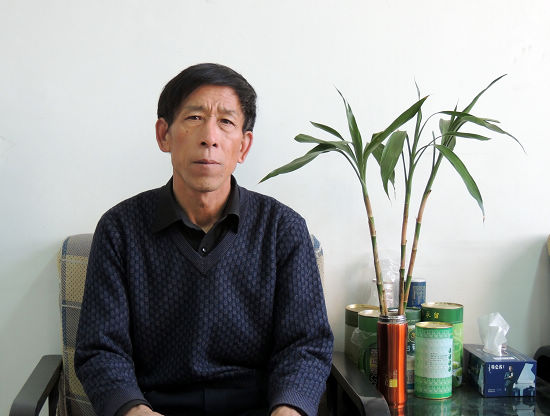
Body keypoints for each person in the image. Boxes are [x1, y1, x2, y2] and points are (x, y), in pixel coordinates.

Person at [75, 63, 333, 416]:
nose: (209, 137)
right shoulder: (120, 229)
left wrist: (289, 409)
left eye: (225, 121)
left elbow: (306, 345)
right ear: (164, 135)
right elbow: (101, 349)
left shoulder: (282, 229)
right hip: (152, 409)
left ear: (244, 146)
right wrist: (133, 410)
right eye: (194, 117)